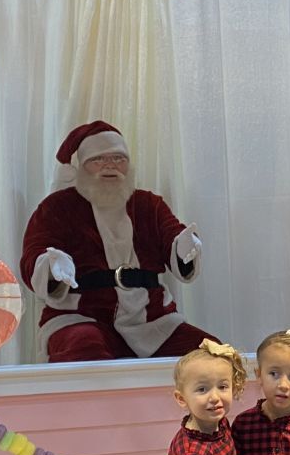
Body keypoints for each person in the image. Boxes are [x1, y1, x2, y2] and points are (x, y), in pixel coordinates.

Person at [20, 121, 216, 362]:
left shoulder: (148, 204)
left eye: (118, 158)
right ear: (80, 168)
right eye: (98, 159)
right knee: (85, 348)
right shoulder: (57, 208)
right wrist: (49, 265)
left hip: (152, 319)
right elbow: (34, 251)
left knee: (212, 355)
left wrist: (184, 246)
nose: (110, 166)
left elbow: (173, 235)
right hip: (80, 314)